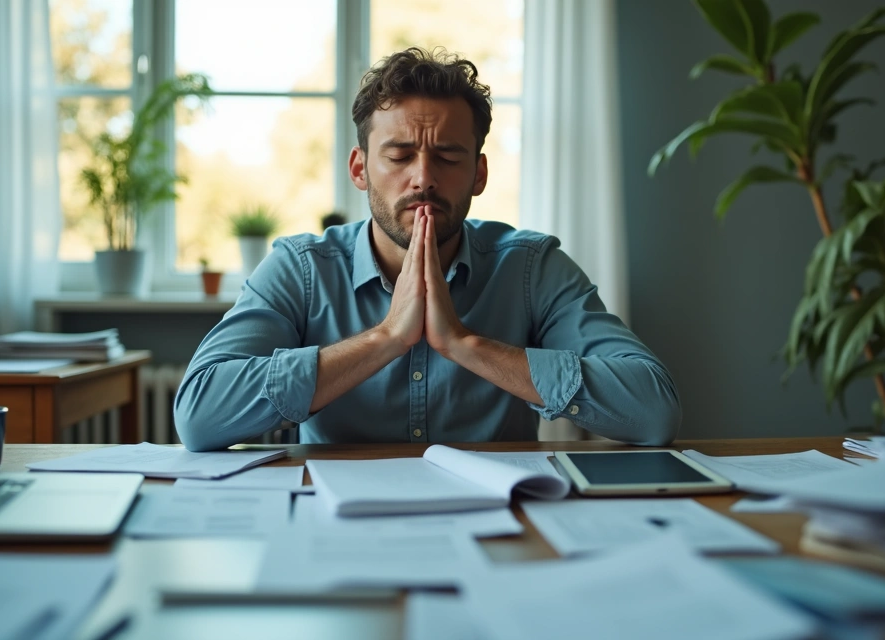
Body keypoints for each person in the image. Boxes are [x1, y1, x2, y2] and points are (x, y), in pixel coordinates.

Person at [174, 47, 680, 450]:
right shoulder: (300, 269)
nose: (423, 178)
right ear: (359, 169)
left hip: (499, 527)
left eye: (447, 157)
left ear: (479, 174)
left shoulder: (532, 268)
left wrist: (465, 344)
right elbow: (199, 417)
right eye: (398, 156)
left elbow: (653, 410)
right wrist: (386, 338)